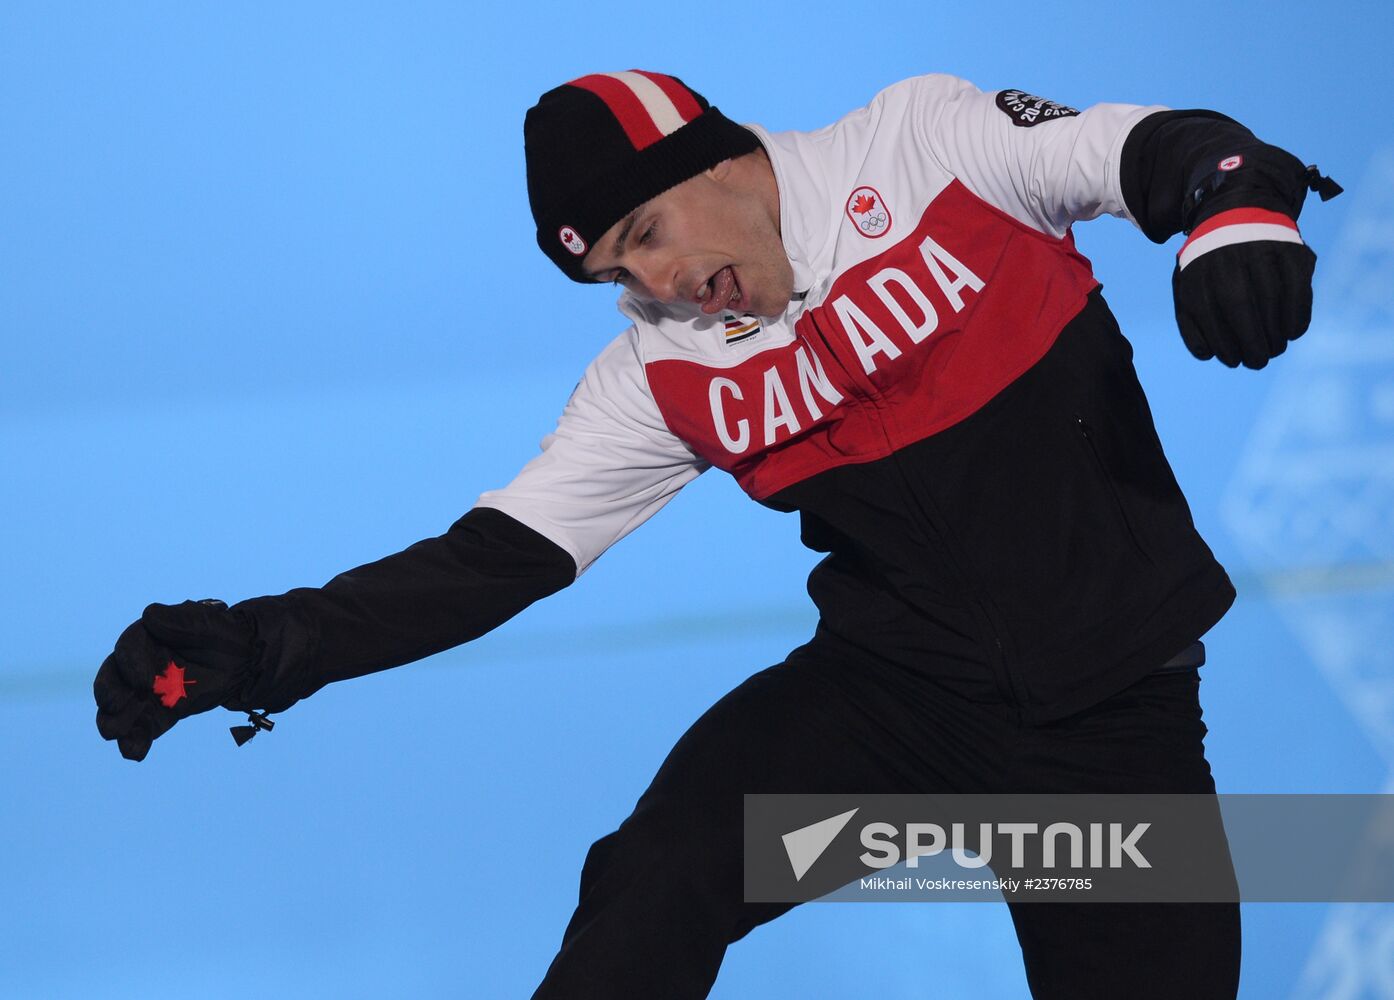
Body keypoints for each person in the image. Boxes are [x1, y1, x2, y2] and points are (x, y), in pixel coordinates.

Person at [95, 69, 1340, 998]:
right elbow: (485, 565)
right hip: (885, 719)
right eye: (616, 280)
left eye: (644, 238)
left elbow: (1157, 150)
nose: (651, 287)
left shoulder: (920, 144)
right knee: (654, 876)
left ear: (712, 159)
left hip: (1101, 737)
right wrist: (258, 644)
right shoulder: (658, 370)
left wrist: (1228, 211)